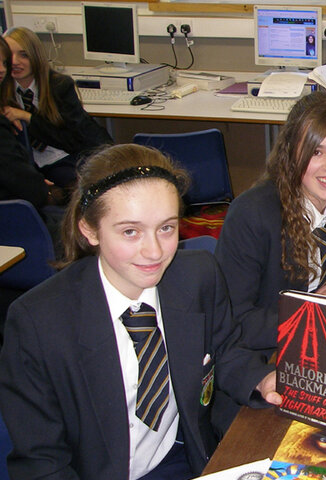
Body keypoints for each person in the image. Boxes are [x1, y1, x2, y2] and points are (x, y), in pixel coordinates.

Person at [0, 144, 280, 480]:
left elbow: (225, 352)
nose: (154, 251)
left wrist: (261, 378)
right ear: (89, 230)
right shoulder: (39, 322)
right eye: (130, 231)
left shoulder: (198, 276)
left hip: (183, 455)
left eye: (166, 227)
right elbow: (42, 463)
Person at [215, 91, 326, 354]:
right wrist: (322, 318)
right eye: (316, 152)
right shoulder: (252, 214)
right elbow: (235, 319)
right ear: (291, 153)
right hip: (271, 354)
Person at [2, 27, 112, 191]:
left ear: (36, 56)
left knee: (81, 187)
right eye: (9, 56)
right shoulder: (3, 89)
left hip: (60, 157)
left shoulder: (58, 86)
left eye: (23, 55)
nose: (15, 61)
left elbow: (72, 138)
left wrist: (27, 117)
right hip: (24, 166)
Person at [0, 35, 63, 208]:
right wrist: (40, 187)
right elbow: (13, 172)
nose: (3, 69)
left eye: (4, 63)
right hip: (13, 207)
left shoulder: (59, 86)